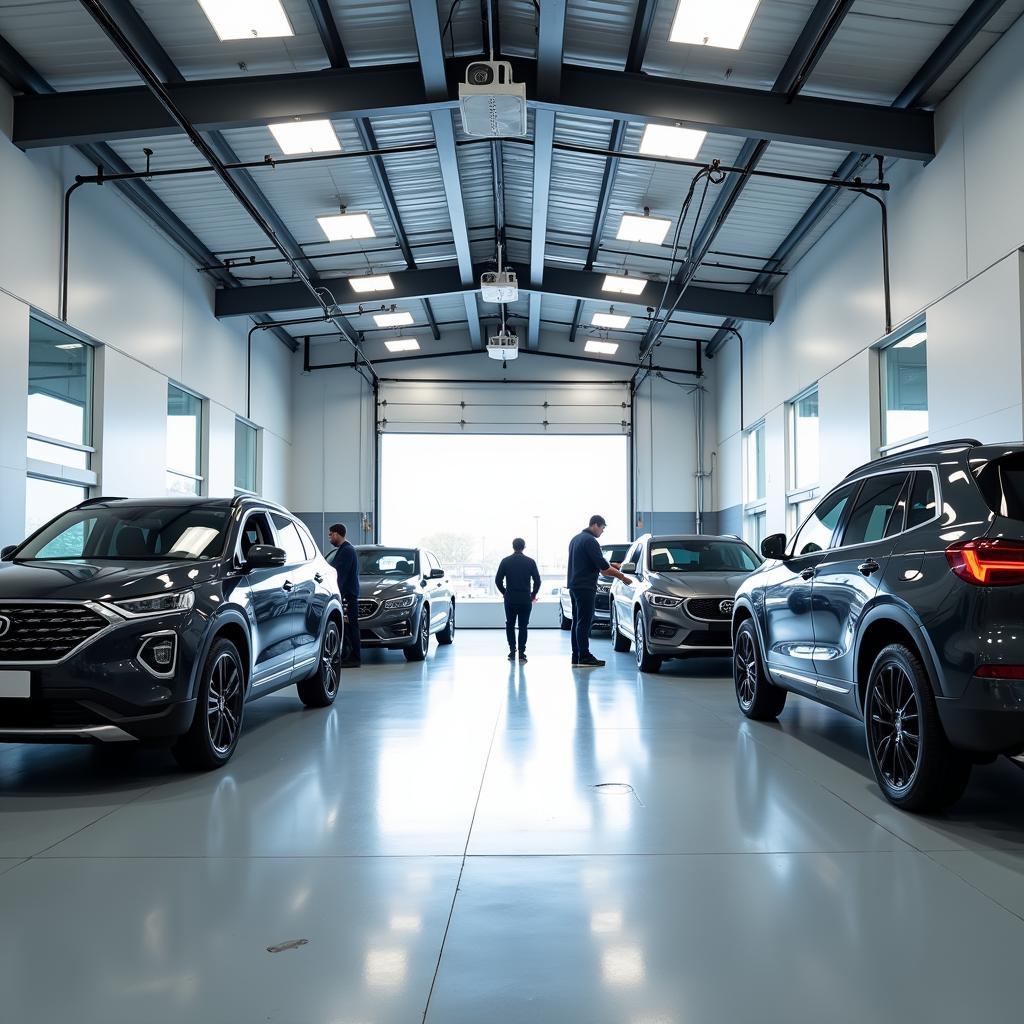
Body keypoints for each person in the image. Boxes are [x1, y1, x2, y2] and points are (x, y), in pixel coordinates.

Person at [567, 515, 631, 668]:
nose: (602, 532)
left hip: (574, 586)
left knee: (577, 622)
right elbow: (604, 569)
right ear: (595, 525)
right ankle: (585, 656)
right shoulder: (591, 541)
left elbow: (599, 563)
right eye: (602, 528)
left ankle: (576, 656)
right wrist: (623, 577)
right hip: (585, 587)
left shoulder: (576, 539)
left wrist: (616, 565)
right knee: (584, 622)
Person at [494, 538, 542, 662]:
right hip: (525, 599)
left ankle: (511, 651)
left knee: (509, 624)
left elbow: (497, 580)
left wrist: (505, 592)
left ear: (513, 546)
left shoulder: (505, 561)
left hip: (510, 599)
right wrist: (533, 594)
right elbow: (537, 581)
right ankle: (521, 653)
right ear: (524, 547)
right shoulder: (530, 562)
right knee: (523, 626)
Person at [326, 523, 361, 669]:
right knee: (349, 627)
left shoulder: (346, 550)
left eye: (330, 534)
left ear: (337, 534)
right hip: (348, 594)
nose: (329, 537)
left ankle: (354, 658)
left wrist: (335, 594)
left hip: (347, 595)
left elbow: (340, 575)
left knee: (352, 627)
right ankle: (349, 656)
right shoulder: (345, 549)